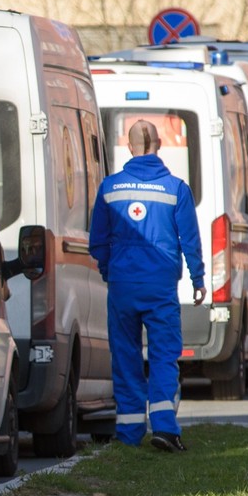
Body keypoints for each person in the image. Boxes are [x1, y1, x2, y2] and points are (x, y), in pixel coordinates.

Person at [89, 119, 206, 453]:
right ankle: (165, 429)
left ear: (129, 148)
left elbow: (97, 241)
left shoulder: (110, 188)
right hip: (160, 288)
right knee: (164, 356)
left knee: (124, 356)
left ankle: (128, 433)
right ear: (158, 145)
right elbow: (189, 240)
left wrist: (110, 271)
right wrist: (198, 279)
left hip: (123, 287)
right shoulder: (176, 189)